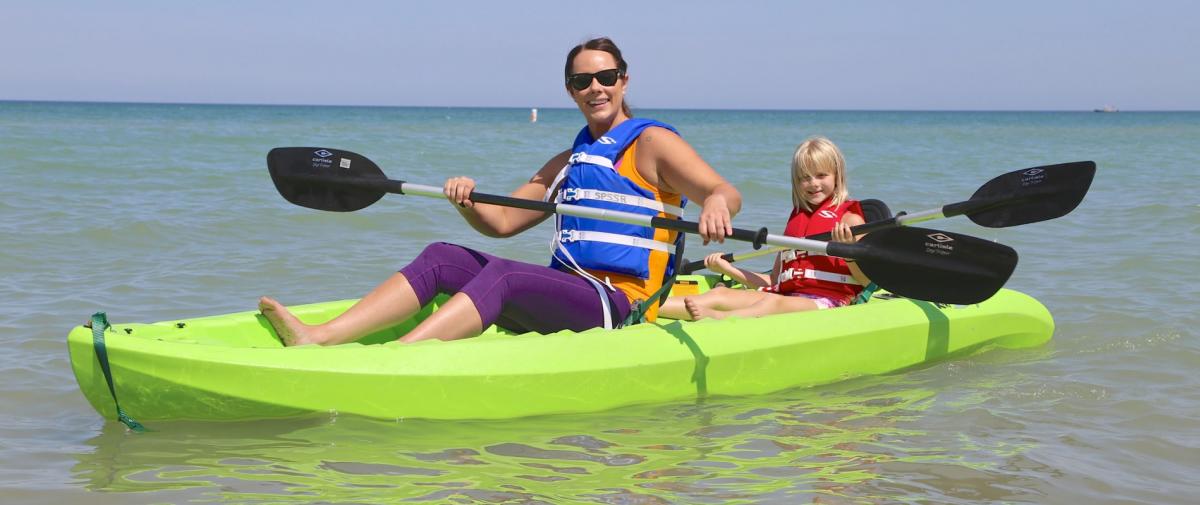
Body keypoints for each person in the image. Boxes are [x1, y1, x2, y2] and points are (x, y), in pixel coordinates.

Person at [258, 37, 742, 345]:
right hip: (575, 291)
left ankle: (402, 358)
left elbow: (723, 190)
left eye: (605, 77)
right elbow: (503, 224)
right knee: (442, 255)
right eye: (581, 80)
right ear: (570, 90)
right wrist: (468, 201)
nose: (595, 87)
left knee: (506, 278)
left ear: (623, 81)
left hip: (620, 305)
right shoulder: (567, 164)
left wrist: (717, 203)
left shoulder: (653, 143)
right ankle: (319, 337)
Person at [659, 136, 869, 321]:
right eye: (805, 178)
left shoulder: (850, 220)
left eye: (821, 175)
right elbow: (774, 281)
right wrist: (729, 270)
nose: (813, 183)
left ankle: (719, 317)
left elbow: (866, 280)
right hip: (788, 297)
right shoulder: (796, 221)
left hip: (829, 302)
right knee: (720, 295)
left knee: (772, 303)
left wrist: (849, 252)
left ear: (837, 176)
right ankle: (645, 310)